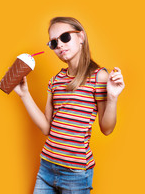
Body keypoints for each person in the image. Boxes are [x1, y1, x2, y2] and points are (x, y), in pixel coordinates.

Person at [14, 17, 125, 194]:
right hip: (46, 168)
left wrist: (112, 97)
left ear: (81, 37)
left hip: (76, 174)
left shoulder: (99, 77)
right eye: (53, 42)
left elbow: (107, 129)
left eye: (65, 37)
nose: (59, 44)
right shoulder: (55, 81)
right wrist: (24, 94)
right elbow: (46, 128)